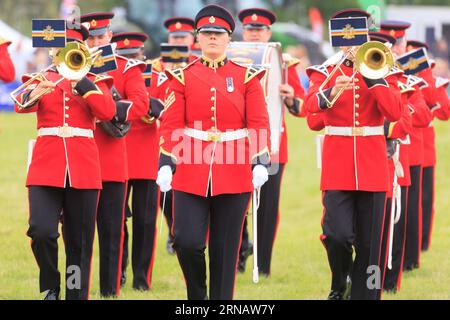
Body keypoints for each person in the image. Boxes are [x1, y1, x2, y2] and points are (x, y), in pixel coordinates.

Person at [156, 4, 271, 300]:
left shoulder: (247, 78)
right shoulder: (182, 76)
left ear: (228, 38)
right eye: (206, 33)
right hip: (191, 169)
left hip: (233, 171)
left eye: (217, 34)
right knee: (186, 240)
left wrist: (260, 160)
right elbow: (171, 125)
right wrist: (166, 162)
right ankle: (197, 296)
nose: (211, 38)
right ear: (197, 38)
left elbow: (259, 122)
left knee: (224, 249)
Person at [305, 9, 402, 300]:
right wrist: (330, 93)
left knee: (371, 245)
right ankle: (340, 281)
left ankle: (367, 294)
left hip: (373, 167)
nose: (353, 45)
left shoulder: (383, 68)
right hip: (337, 167)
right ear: (340, 41)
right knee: (336, 236)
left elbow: (394, 112)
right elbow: (311, 118)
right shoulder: (326, 72)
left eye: (358, 38)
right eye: (348, 39)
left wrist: (375, 79)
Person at [14, 24, 116, 300]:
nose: (68, 53)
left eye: (74, 49)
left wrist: (83, 83)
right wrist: (38, 91)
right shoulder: (42, 77)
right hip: (46, 167)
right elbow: (19, 103)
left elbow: (107, 112)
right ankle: (51, 286)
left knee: (79, 242)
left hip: (83, 168)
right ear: (54, 51)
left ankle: (74, 293)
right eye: (63, 48)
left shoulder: (95, 79)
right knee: (41, 231)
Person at [81, 12, 150, 296]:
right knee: (79, 239)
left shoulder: (127, 68)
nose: (96, 42)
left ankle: (109, 291)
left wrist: (108, 110)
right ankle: (76, 287)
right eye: (92, 38)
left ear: (110, 37)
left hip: (111, 163)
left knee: (112, 235)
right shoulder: (72, 66)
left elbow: (141, 106)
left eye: (101, 37)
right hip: (78, 162)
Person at [235, 7, 306, 275]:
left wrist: (289, 96)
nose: (254, 34)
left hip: (274, 146)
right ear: (243, 32)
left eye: (260, 30)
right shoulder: (231, 58)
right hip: (237, 145)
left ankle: (262, 264)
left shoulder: (285, 63)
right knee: (234, 202)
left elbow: (302, 108)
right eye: (250, 30)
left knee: (267, 207)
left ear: (268, 33)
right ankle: (239, 252)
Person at [113, 31, 164, 291]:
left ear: (143, 54)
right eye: (126, 56)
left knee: (146, 221)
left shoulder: (158, 77)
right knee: (117, 219)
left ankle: (142, 279)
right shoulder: (110, 73)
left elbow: (170, 109)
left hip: (146, 155)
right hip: (117, 154)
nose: (132, 60)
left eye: (135, 55)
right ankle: (118, 272)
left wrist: (158, 107)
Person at [151, 16, 198, 255]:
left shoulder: (199, 64)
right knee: (164, 193)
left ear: (192, 39)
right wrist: (168, 74)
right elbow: (153, 100)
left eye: (183, 37)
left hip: (193, 138)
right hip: (166, 136)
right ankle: (174, 231)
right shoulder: (157, 66)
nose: (178, 41)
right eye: (174, 37)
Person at [405, 40, 450, 252]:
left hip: (423, 145)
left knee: (423, 199)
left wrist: (426, 76)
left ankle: (421, 242)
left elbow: (444, 112)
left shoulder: (427, 77)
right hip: (404, 141)